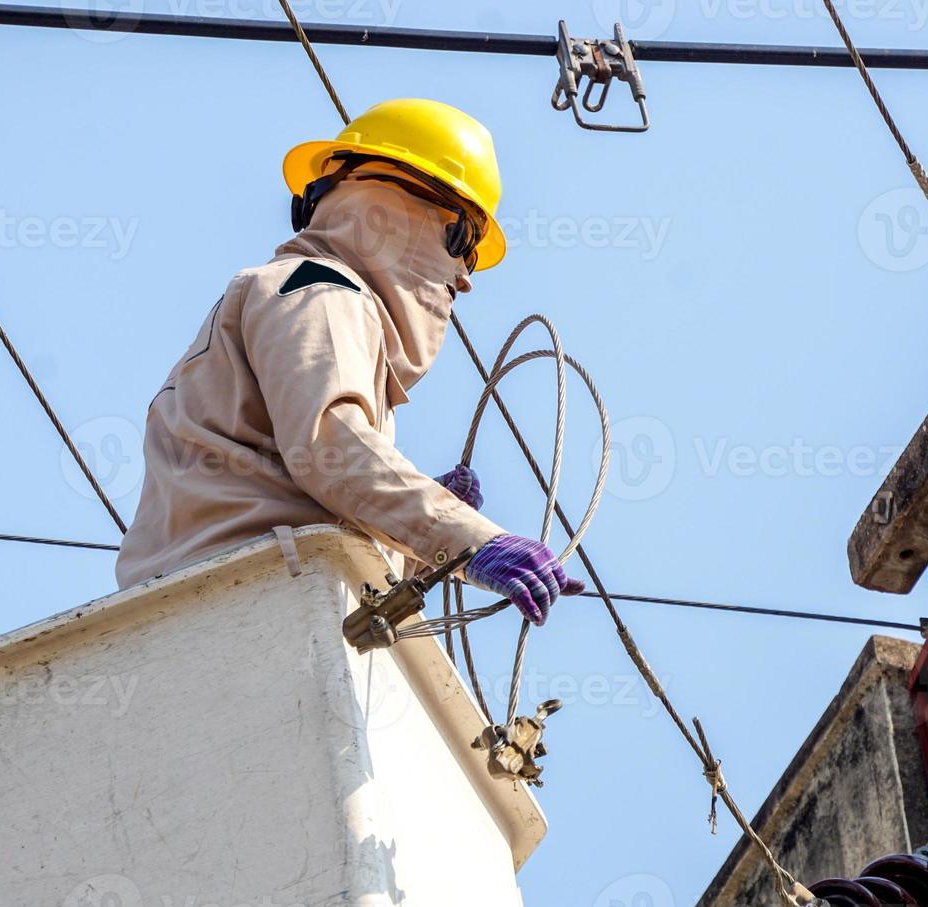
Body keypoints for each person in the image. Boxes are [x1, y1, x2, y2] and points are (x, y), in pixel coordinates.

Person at [115, 98, 582, 625]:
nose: (465, 278)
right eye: (465, 244)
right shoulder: (321, 290)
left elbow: (293, 480)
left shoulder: (304, 297)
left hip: (230, 597)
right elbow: (330, 448)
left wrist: (412, 549)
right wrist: (470, 540)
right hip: (254, 598)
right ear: (411, 216)